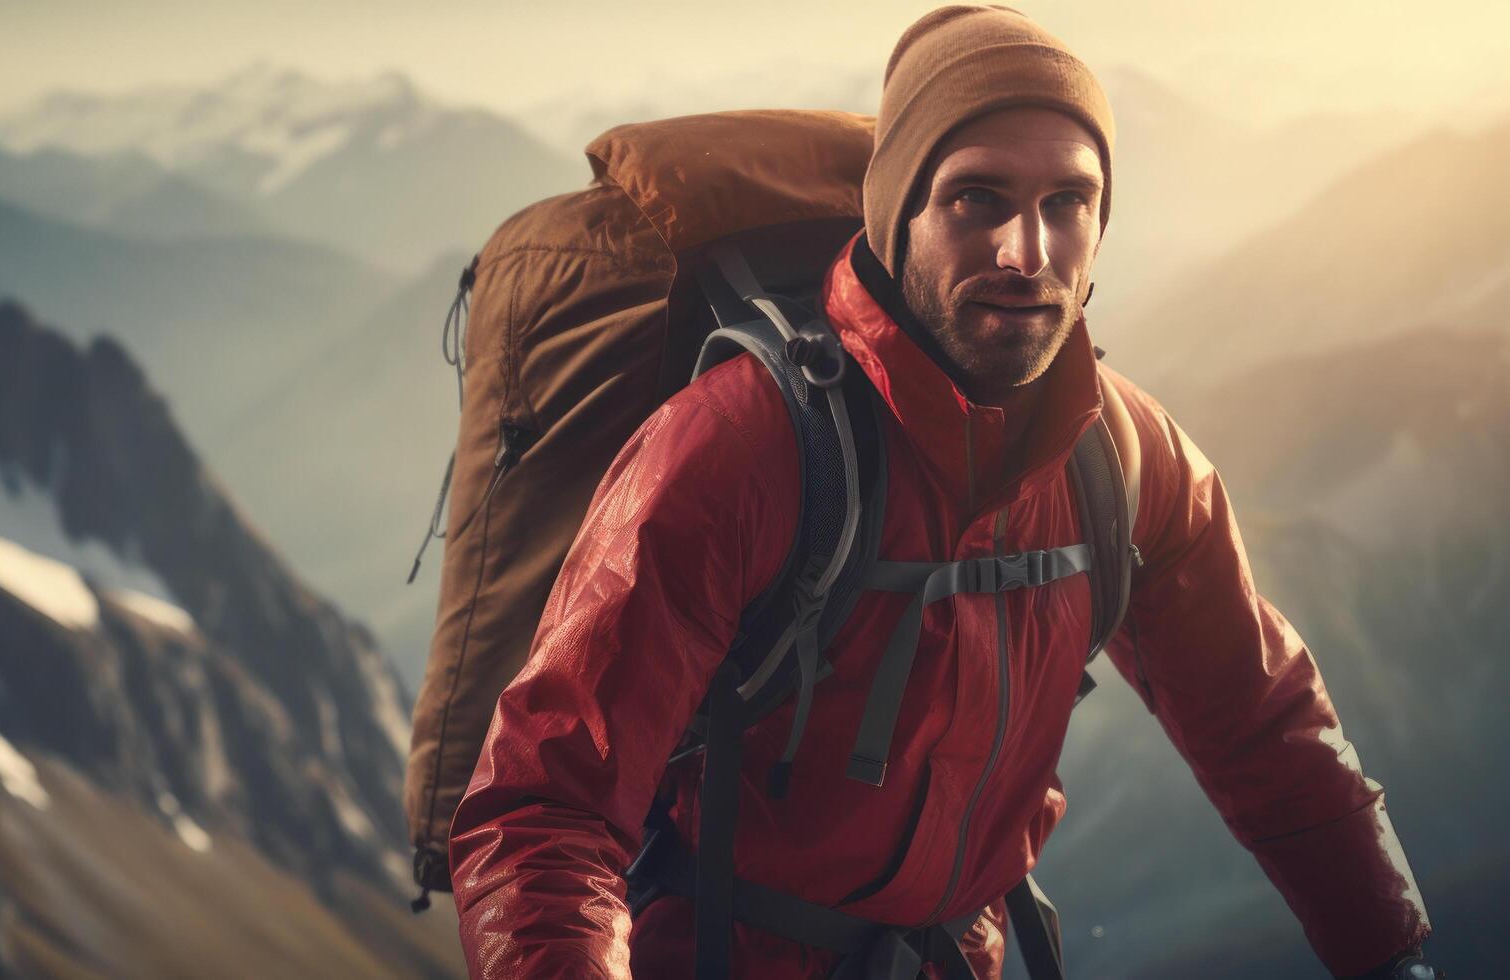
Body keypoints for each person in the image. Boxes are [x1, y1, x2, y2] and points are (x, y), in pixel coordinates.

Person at [446, 5, 1435, 978]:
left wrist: (1392, 950)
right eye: (976, 199)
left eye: (1068, 202)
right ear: (895, 214)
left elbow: (1263, 723)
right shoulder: (738, 447)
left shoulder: (1125, 458)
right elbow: (546, 809)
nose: (1026, 251)